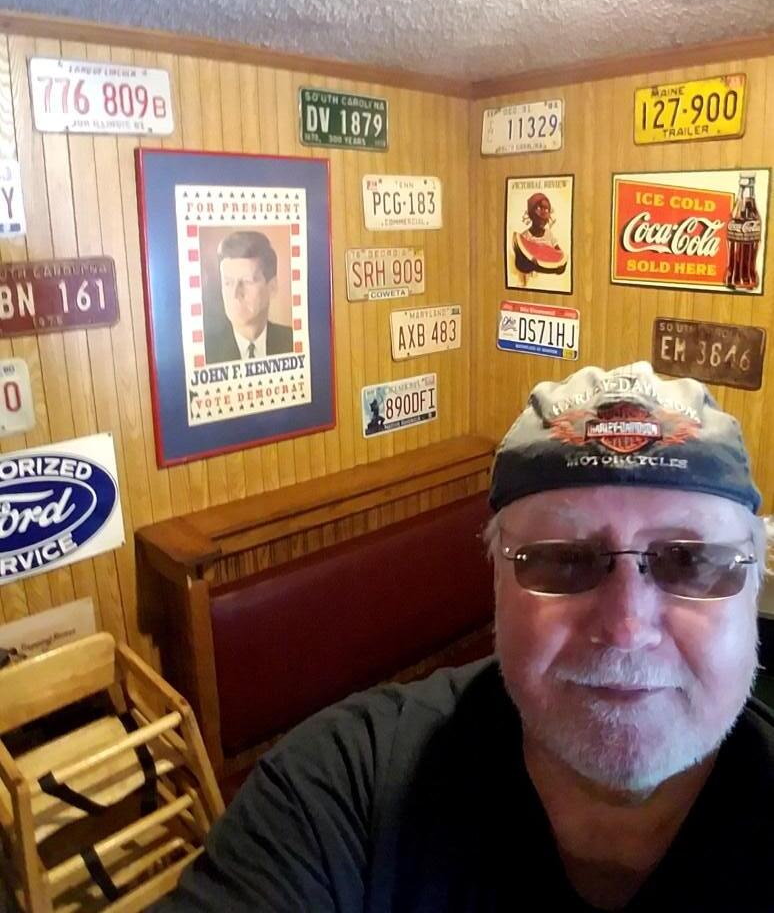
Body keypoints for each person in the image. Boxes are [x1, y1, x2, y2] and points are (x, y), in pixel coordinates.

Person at [154, 362, 773, 912]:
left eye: (690, 562)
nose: (627, 628)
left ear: (754, 587)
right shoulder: (343, 791)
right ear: (495, 580)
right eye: (564, 559)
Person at [204, 230, 293, 363]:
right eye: (228, 283)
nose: (235, 294)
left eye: (247, 281)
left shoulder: (292, 341)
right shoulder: (206, 351)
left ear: (272, 287)